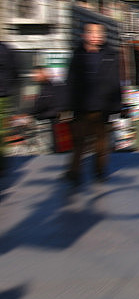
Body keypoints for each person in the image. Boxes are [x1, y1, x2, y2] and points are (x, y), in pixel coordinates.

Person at [64, 22, 122, 184]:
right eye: (94, 33)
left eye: (100, 33)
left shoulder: (110, 54)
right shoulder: (77, 54)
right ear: (85, 35)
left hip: (102, 107)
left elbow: (115, 81)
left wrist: (117, 107)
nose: (98, 36)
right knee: (78, 142)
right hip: (81, 106)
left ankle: (100, 171)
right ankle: (74, 172)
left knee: (101, 143)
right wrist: (66, 105)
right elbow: (70, 80)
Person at [30, 65, 64, 153]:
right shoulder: (49, 85)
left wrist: (32, 114)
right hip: (54, 117)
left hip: (54, 118)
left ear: (43, 73)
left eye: (36, 73)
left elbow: (43, 102)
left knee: (57, 145)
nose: (34, 76)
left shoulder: (47, 86)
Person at [0, 40, 19, 173]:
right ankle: (2, 163)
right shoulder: (6, 48)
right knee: (2, 129)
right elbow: (15, 73)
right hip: (4, 95)